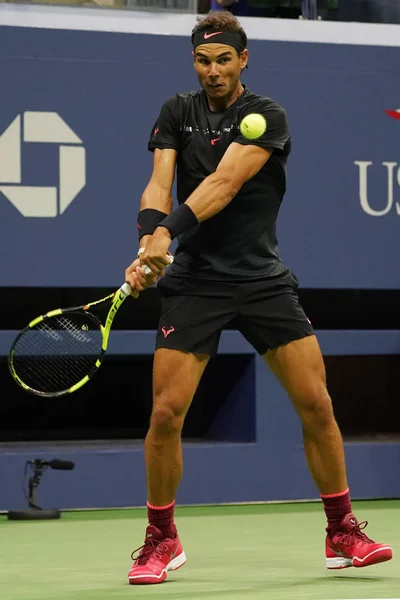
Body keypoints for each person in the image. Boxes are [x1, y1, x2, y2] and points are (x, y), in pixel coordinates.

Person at [124, 10, 393, 585]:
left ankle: (342, 531)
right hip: (195, 284)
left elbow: (222, 184)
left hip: (262, 281)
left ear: (243, 60)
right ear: (193, 61)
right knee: (167, 414)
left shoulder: (265, 116)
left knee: (316, 404)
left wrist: (167, 233)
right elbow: (157, 184)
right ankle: (160, 540)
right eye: (203, 60)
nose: (214, 71)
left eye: (224, 60)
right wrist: (148, 242)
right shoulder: (177, 112)